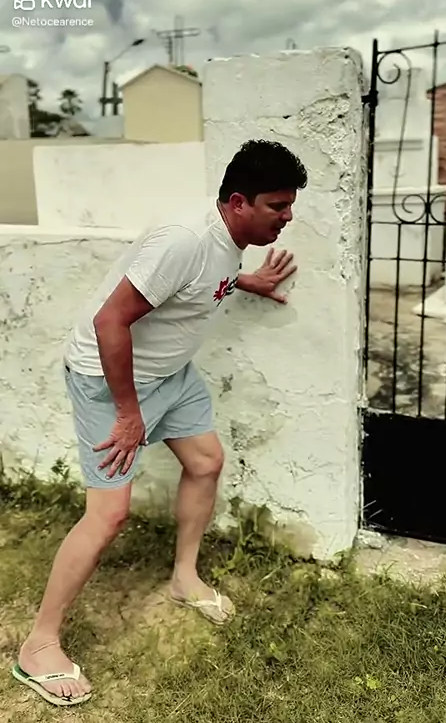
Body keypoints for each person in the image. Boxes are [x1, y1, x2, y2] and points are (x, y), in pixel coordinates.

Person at [13, 139, 308, 707]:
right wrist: (129, 413)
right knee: (108, 514)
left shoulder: (228, 239)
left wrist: (248, 282)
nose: (287, 217)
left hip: (171, 374)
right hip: (109, 379)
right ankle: (39, 645)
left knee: (206, 461)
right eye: (278, 206)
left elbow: (199, 282)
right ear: (239, 202)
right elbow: (110, 322)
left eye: (290, 205)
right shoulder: (185, 240)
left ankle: (183, 578)